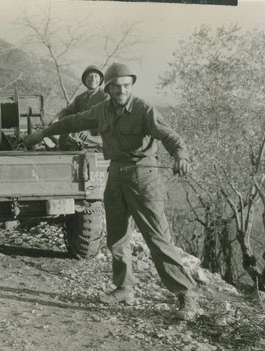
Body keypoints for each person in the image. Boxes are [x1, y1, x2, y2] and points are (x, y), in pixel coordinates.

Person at [24, 63, 198, 320]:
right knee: (116, 237)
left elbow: (170, 136)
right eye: (116, 86)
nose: (121, 91)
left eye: (126, 86)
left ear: (131, 86)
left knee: (157, 238)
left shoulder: (143, 110)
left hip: (143, 176)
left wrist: (180, 156)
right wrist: (42, 133)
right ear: (108, 88)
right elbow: (72, 121)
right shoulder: (101, 110)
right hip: (115, 174)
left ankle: (186, 296)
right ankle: (124, 288)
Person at [54, 65, 109, 151]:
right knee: (64, 137)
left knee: (75, 142)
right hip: (81, 135)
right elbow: (68, 110)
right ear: (85, 80)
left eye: (96, 76)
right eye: (90, 76)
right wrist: (56, 119)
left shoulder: (105, 97)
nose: (93, 79)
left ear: (100, 79)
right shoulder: (80, 98)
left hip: (100, 136)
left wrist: (90, 131)